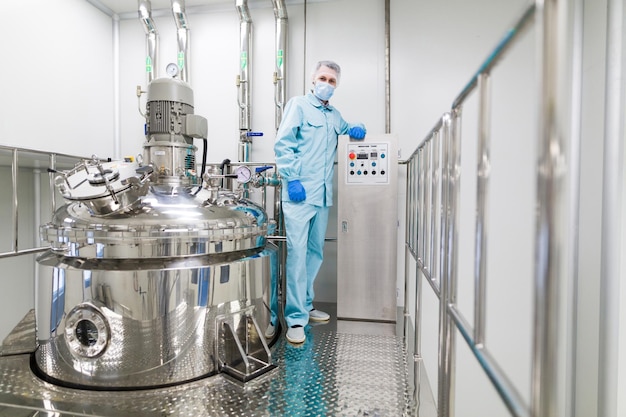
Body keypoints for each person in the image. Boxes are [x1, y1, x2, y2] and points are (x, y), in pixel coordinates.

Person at [269, 60, 366, 344]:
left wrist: (356, 128)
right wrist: (292, 178)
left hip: (322, 196)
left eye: (332, 81)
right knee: (298, 256)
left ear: (336, 86)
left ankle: (307, 305)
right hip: (299, 194)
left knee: (314, 253)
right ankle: (295, 319)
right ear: (313, 80)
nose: (327, 83)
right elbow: (283, 144)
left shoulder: (334, 115)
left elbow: (348, 128)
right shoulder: (298, 105)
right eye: (323, 78)